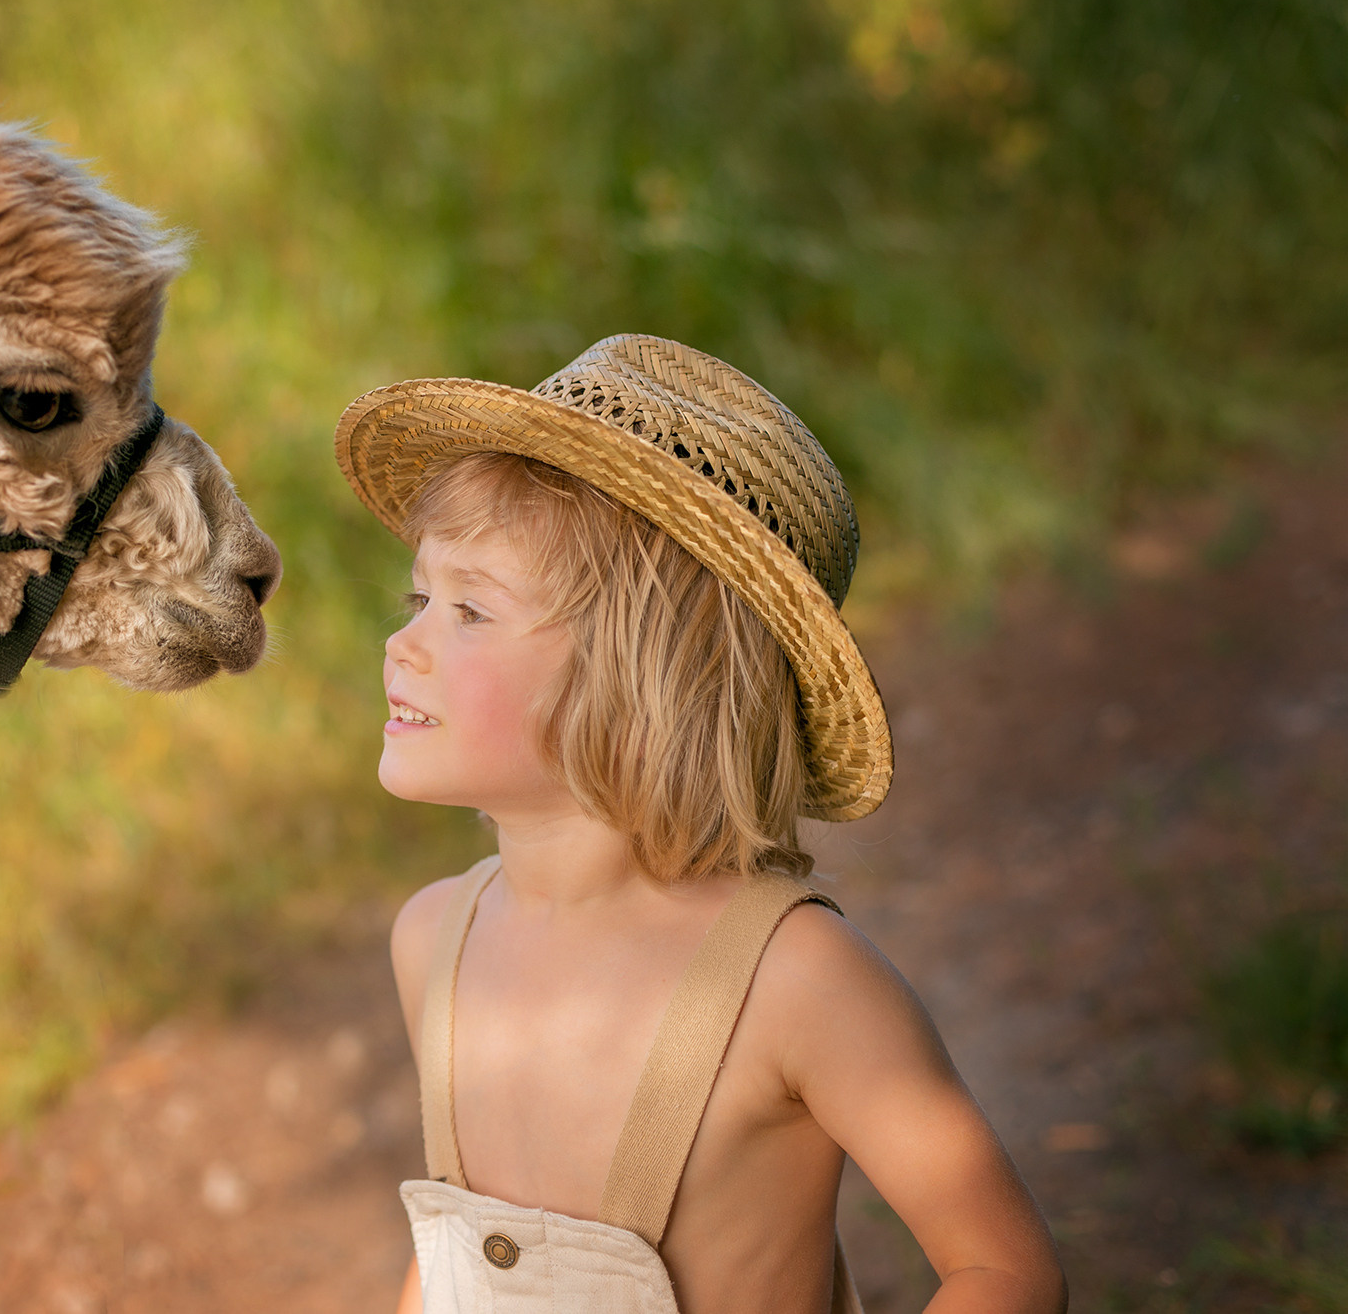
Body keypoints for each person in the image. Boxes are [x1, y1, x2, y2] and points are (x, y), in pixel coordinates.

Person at [333, 336, 1067, 1314]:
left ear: (640, 679)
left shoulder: (791, 979)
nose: (402, 640)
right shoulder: (433, 939)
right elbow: (461, 1257)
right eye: (418, 596)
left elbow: (1003, 1270)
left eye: (469, 609)